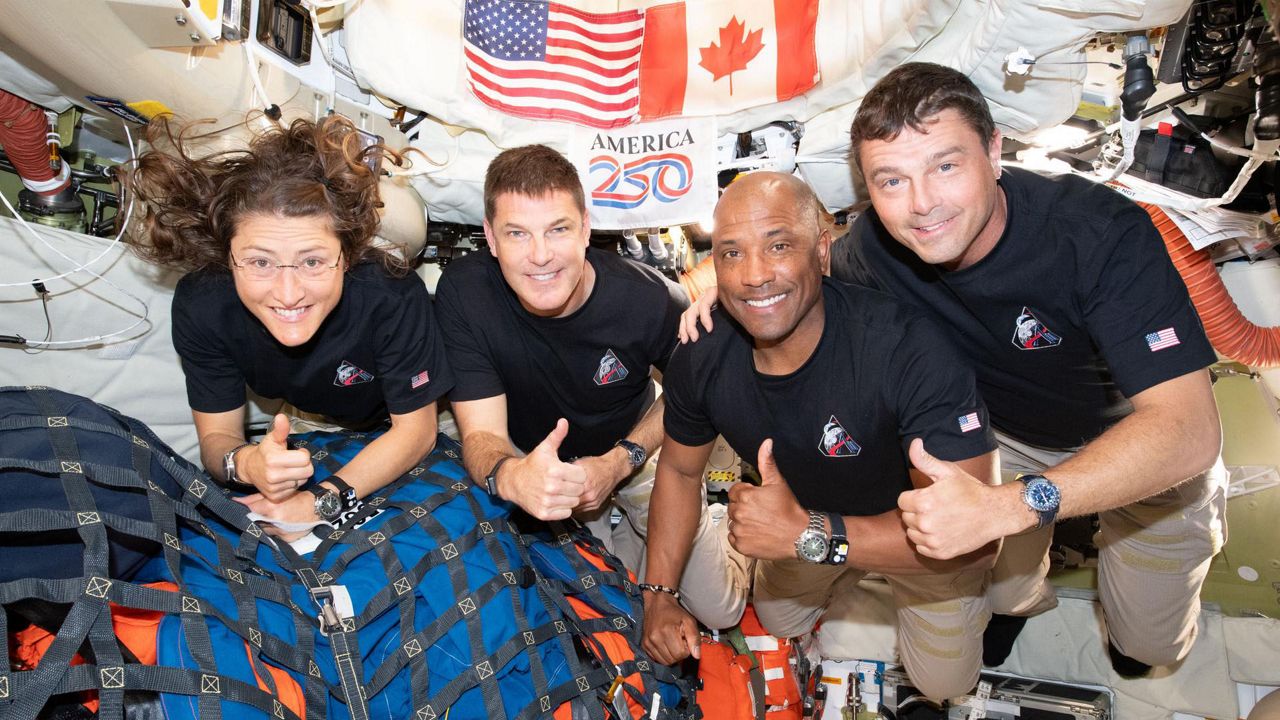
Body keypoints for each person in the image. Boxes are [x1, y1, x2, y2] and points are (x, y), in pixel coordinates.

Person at [682, 63, 1227, 677]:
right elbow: (784, 265)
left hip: (1137, 438)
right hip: (1002, 440)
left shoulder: (1094, 234)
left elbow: (1188, 430)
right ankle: (1020, 599)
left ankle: (1121, 618)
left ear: (994, 152)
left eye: (945, 165)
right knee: (997, 585)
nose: (921, 205)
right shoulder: (873, 250)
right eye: (891, 180)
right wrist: (723, 291)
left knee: (1151, 647)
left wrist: (1017, 506)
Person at [644, 171, 999, 701]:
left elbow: (977, 542)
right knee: (780, 620)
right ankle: (803, 554)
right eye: (731, 254)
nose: (753, 276)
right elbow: (677, 468)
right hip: (800, 526)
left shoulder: (908, 350)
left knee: (945, 686)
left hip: (918, 541)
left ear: (823, 252)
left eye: (779, 245)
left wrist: (808, 533)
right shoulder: (703, 353)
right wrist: (657, 594)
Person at [433, 145, 749, 630]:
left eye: (558, 229)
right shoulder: (464, 293)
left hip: (633, 449)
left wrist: (620, 461)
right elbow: (480, 435)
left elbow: (690, 395)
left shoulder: (648, 299)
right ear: (491, 239)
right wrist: (514, 477)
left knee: (721, 612)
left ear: (584, 229)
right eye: (517, 233)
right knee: (597, 608)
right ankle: (630, 536)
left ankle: (711, 520)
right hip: (539, 460)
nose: (540, 256)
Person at [129, 115, 453, 536]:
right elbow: (218, 439)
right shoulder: (203, 304)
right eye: (260, 262)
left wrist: (321, 502)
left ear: (348, 255)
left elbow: (416, 431)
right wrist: (245, 463)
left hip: (423, 414)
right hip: (314, 417)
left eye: (313, 261)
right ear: (227, 258)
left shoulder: (390, 293)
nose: (287, 292)